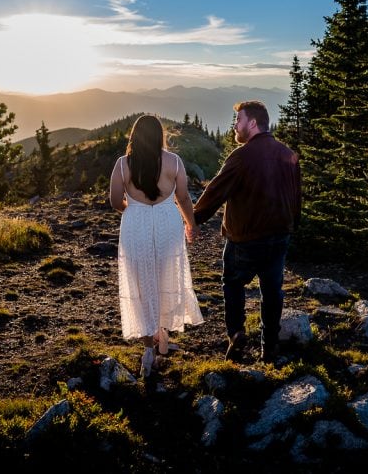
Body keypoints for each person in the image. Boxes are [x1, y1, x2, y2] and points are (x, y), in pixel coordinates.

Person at [192, 101, 301, 363]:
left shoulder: (242, 156)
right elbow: (296, 196)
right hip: (279, 236)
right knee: (272, 291)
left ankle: (237, 333)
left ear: (252, 123)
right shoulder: (287, 154)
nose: (234, 126)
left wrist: (192, 220)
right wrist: (292, 225)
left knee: (233, 284)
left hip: (245, 238)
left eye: (238, 120)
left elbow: (215, 192)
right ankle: (270, 347)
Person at [109, 115, 203, 377]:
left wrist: (134, 210)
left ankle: (148, 347)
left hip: (135, 225)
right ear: (160, 135)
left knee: (141, 282)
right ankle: (161, 333)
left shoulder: (123, 164)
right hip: (167, 223)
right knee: (165, 276)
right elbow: (183, 197)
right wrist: (191, 224)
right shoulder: (174, 162)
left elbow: (115, 200)